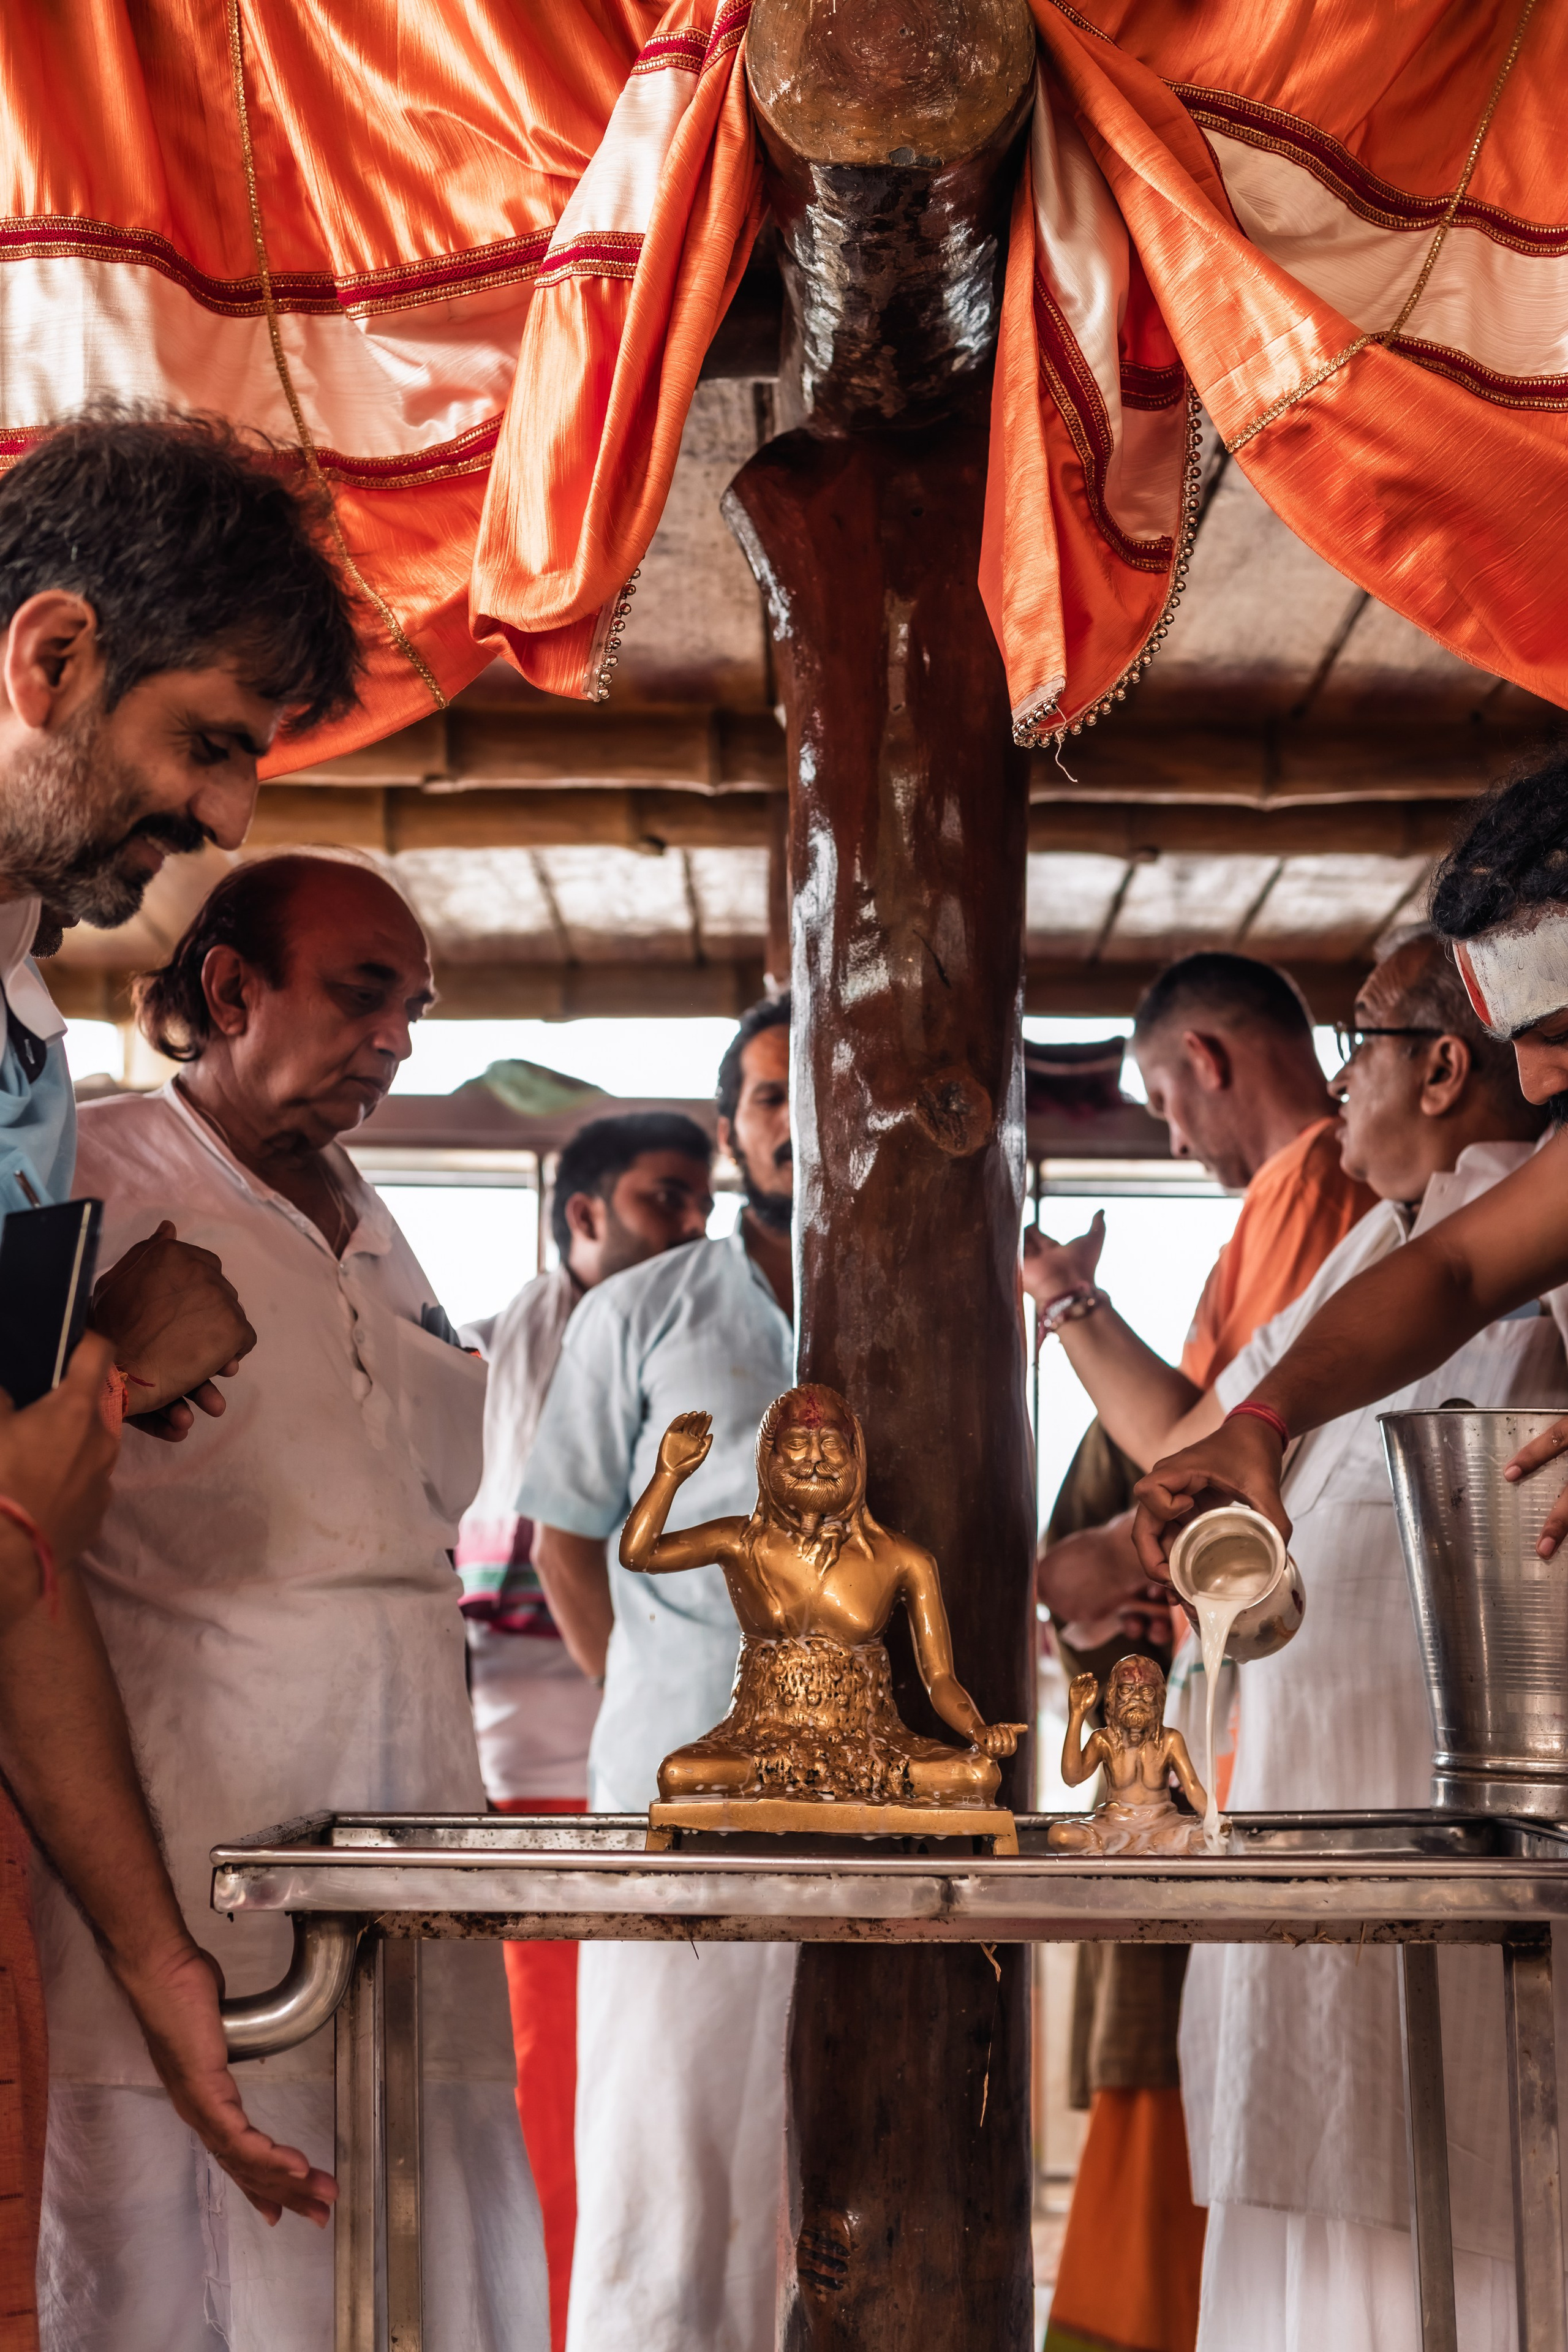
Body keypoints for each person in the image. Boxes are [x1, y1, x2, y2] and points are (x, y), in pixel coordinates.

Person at [38, 853, 546, 2351]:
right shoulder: (93, 1173)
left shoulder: (373, 1221)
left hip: (408, 1814)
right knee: (181, 2265)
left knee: (413, 2237)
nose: (395, 1039)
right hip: (187, 1833)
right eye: (362, 993)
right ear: (228, 989)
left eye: (416, 1010)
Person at [0, 405, 363, 2338]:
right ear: (52, 657)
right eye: (208, 741)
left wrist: (158, 1970)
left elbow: (23, 1572)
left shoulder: (26, 1032)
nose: (226, 819)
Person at [1133, 911, 1568, 2351]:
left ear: (1441, 1064)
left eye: (1355, 1045)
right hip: (1320, 1829)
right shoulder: (1383, 1243)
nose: (1535, 1073)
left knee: (1477, 2202)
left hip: (1472, 1836)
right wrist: (1253, 1430)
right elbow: (1436, 1284)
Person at [1024, 952, 1376, 2352]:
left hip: (1301, 1703)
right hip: (1218, 1711)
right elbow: (1202, 1440)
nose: (1170, 1139)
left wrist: (1070, 1313)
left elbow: (1224, 1460)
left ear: (1207, 1061)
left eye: (1164, 1103)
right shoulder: (1286, 1203)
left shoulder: (1329, 1185)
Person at [518, 994, 794, 2352]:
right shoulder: (643, 1308)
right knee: (665, 2140)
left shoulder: (954, 1299)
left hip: (893, 1789)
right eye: (772, 1096)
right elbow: (565, 1536)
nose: (802, 1121)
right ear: (735, 1129)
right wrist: (647, 1696)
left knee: (864, 2133)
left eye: (829, 1089)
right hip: (680, 1779)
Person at [457, 1109, 714, 2352]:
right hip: (543, 1779)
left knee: (652, 2086)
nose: (693, 1227)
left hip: (656, 1777)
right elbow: (505, 1566)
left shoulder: (683, 1349)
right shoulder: (508, 1352)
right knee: (556, 2083)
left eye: (701, 1203)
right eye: (666, 1200)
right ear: (582, 1215)